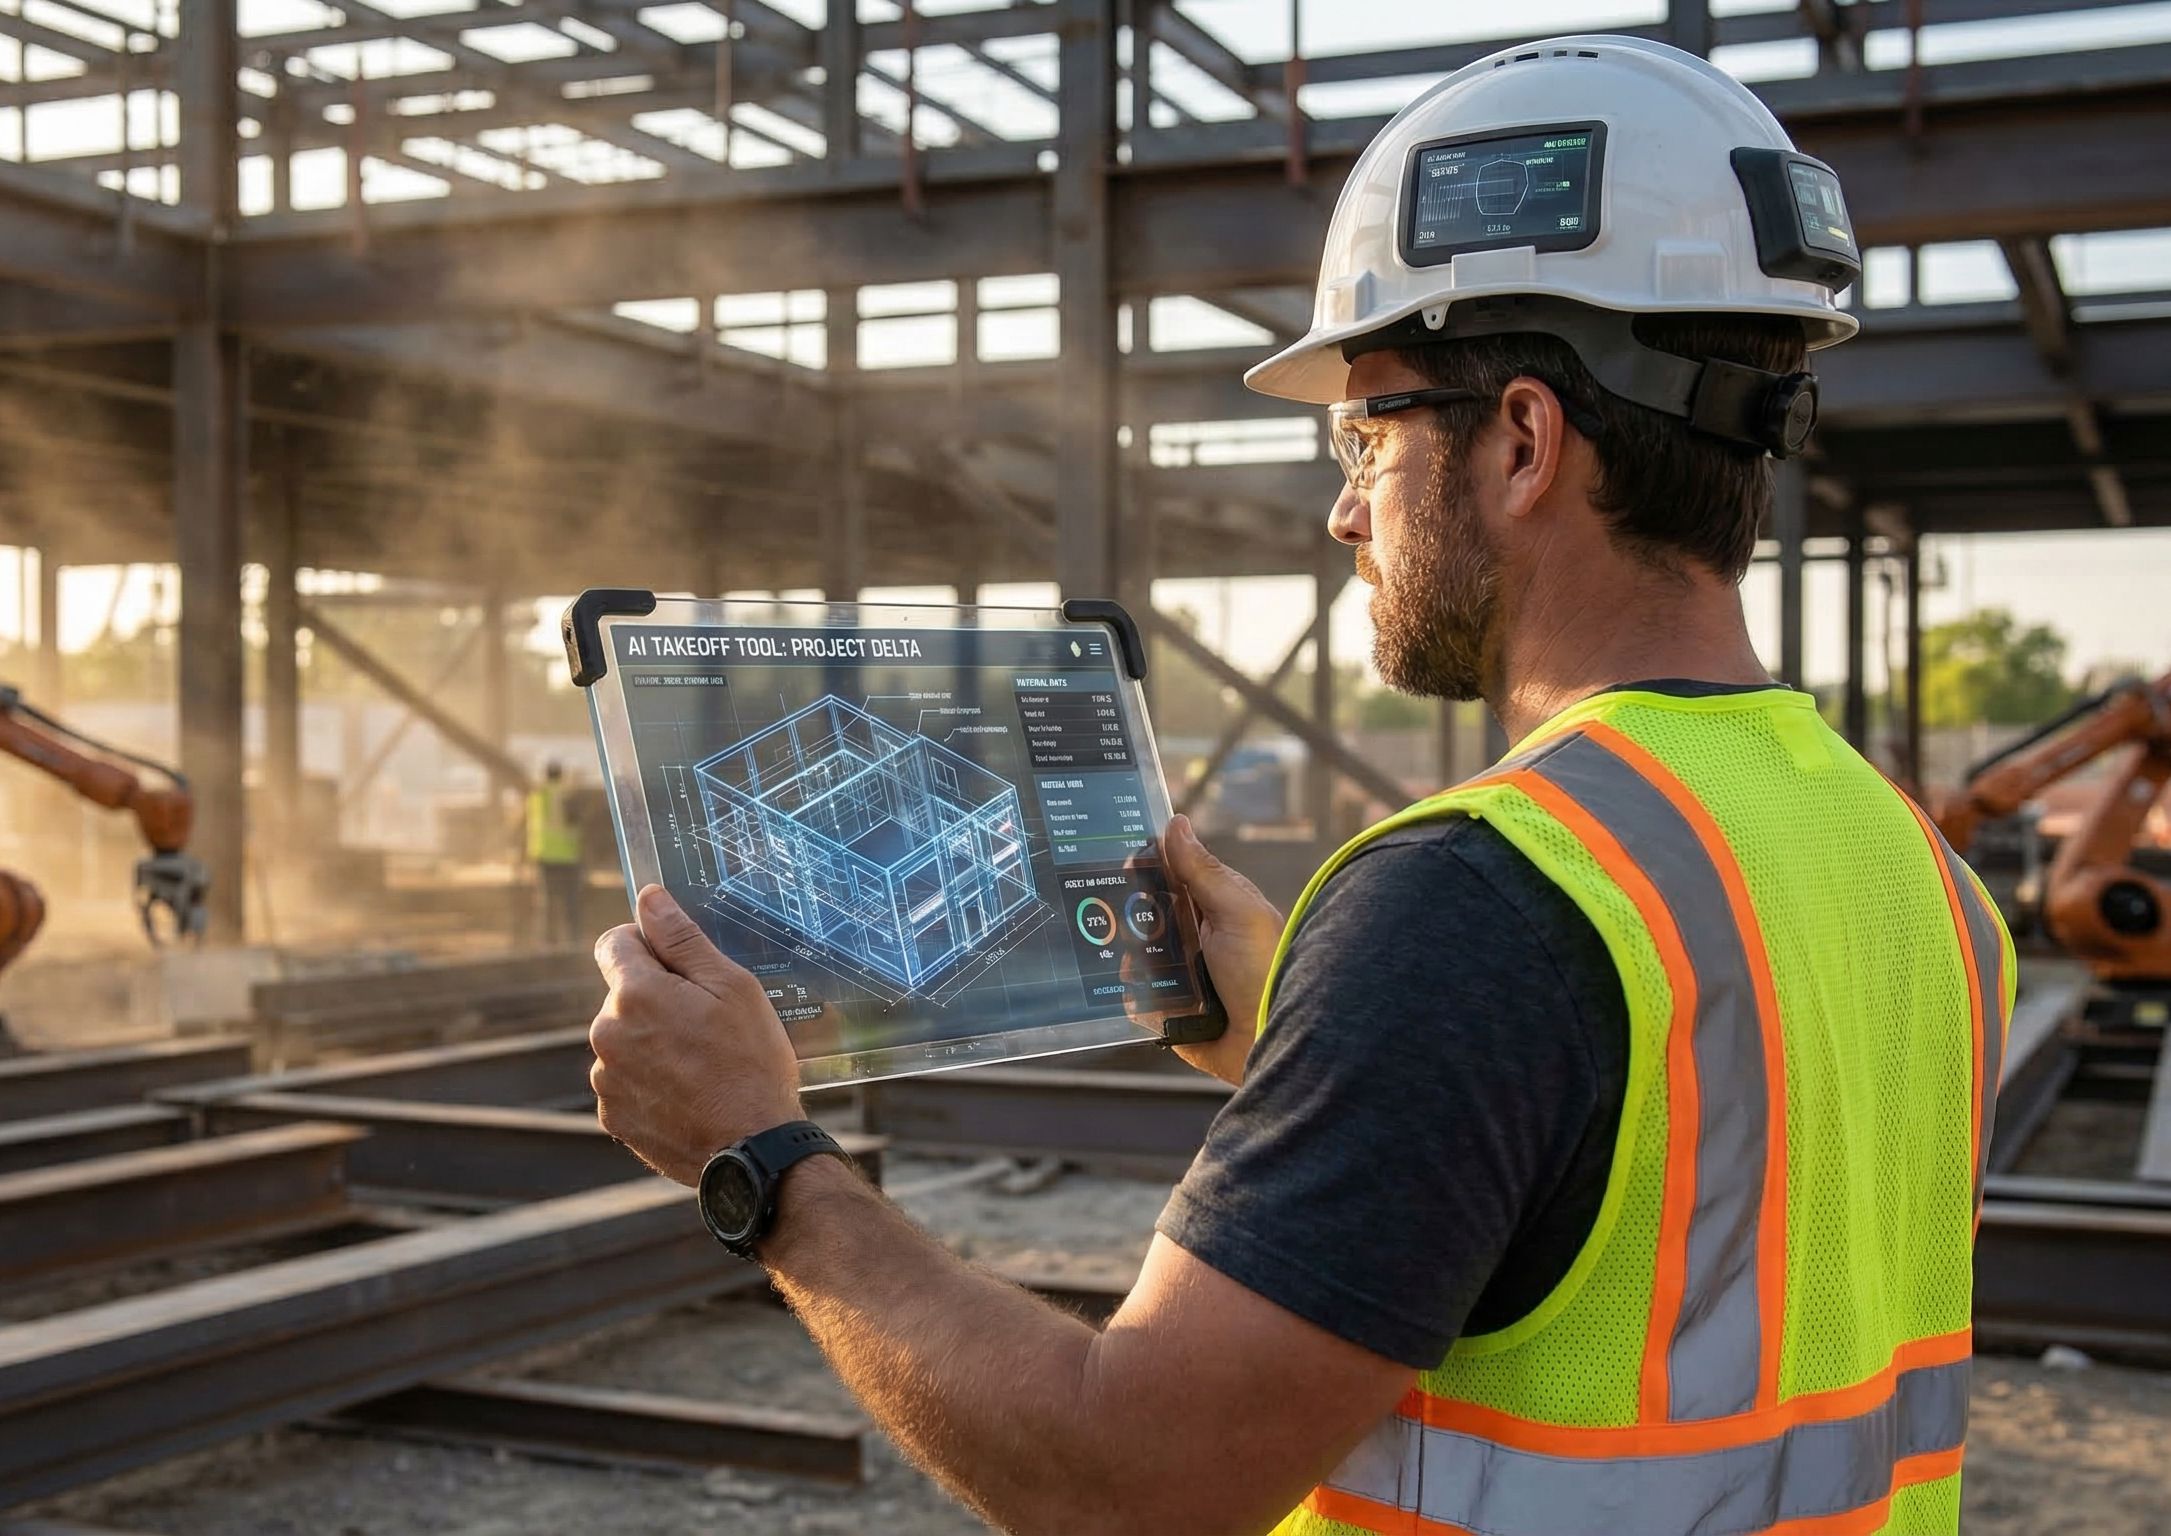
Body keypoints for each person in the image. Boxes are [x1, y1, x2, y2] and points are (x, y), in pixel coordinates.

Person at [584, 35, 2013, 1536]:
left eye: (1363, 431)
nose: (1343, 509)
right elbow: (1672, 1199)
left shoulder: (1484, 907)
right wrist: (1309, 1027)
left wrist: (763, 1161)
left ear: (1523, 441)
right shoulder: (1915, 869)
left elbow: (1128, 1479)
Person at [521, 760, 584, 947]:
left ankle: (547, 942)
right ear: (561, 774)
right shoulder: (566, 795)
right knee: (570, 901)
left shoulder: (537, 795)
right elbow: (575, 823)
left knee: (546, 902)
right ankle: (573, 941)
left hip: (543, 856)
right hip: (567, 856)